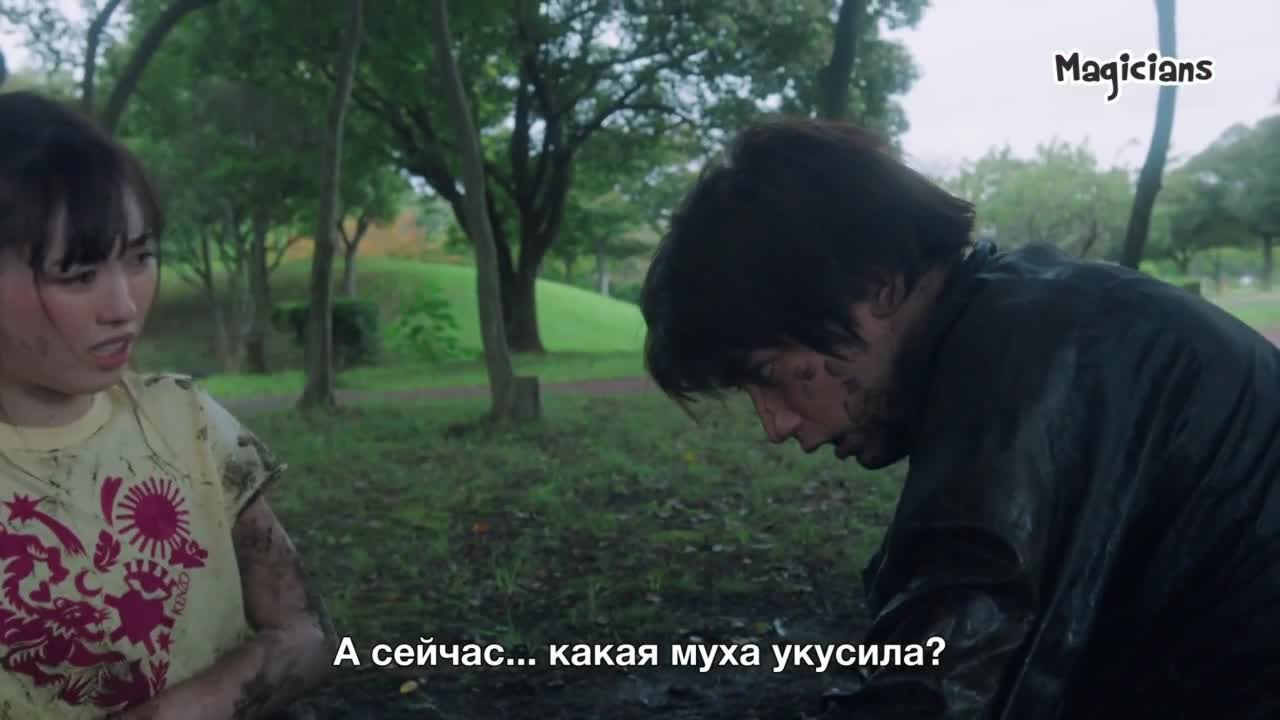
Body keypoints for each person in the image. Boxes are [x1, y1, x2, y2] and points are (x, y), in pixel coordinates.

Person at [639, 117, 1280, 718]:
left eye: (771, 374)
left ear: (877, 286)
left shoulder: (1026, 363)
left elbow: (945, 687)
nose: (776, 426)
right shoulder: (1027, 314)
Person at [0, 90, 336, 717]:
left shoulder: (187, 422)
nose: (124, 307)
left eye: (141, 258)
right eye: (78, 275)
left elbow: (307, 633)